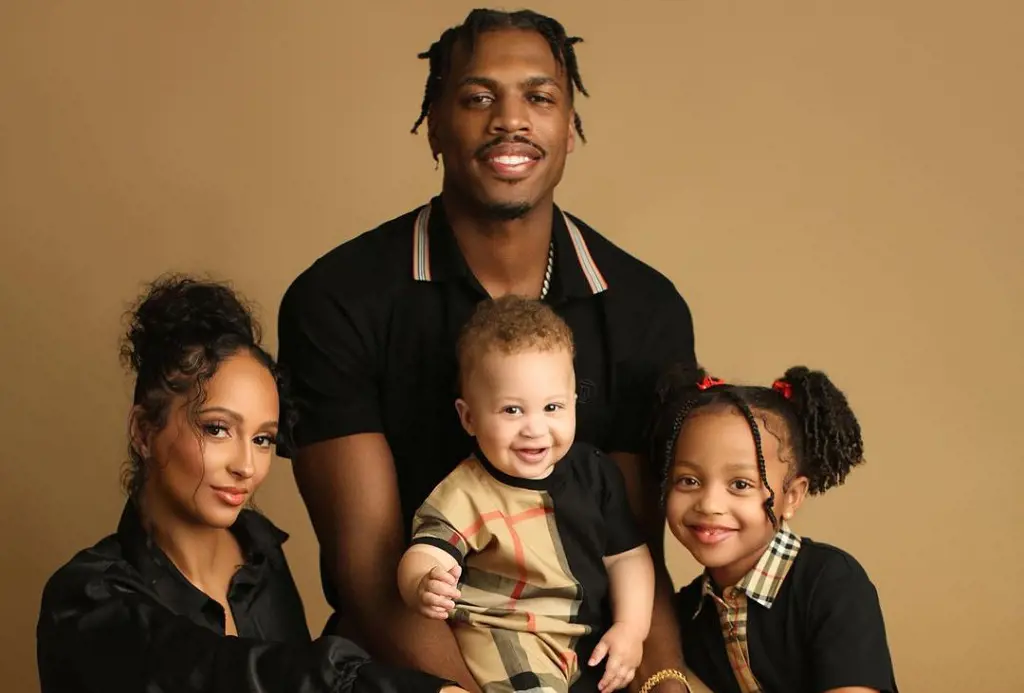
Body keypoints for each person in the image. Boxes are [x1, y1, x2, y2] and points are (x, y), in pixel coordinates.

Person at [277, 8, 697, 692]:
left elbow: (634, 549)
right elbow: (372, 572)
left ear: (569, 128)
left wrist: (668, 681)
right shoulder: (338, 299)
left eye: (539, 97)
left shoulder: (644, 310)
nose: (511, 120)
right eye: (477, 98)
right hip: (408, 664)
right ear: (435, 125)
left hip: (593, 665)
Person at [36, 275, 462, 693]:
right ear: (144, 431)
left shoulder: (260, 554)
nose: (246, 466)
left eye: (262, 439)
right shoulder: (84, 600)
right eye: (218, 429)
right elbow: (219, 670)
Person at [398, 297, 675, 693]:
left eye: (552, 407)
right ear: (469, 417)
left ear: (574, 404)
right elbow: (427, 550)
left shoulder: (593, 473)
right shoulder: (465, 492)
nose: (535, 428)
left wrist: (631, 628)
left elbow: (627, 557)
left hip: (582, 636)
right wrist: (422, 582)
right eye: (512, 411)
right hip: (506, 636)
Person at [649, 366, 898, 693]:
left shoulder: (831, 584)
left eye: (740, 484)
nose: (709, 504)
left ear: (792, 497)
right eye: (688, 480)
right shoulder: (686, 614)